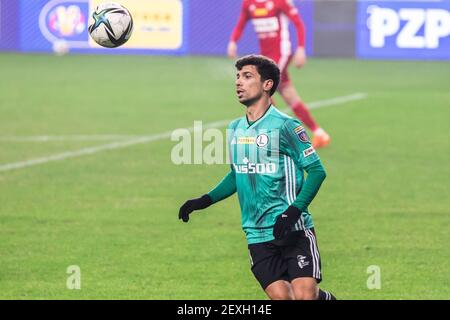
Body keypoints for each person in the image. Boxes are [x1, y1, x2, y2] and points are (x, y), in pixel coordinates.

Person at [179, 55, 335, 300]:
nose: (239, 82)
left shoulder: (286, 126)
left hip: (293, 229)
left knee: (305, 296)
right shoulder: (235, 129)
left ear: (267, 84)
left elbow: (317, 171)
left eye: (247, 76)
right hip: (256, 233)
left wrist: (293, 211)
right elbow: (236, 173)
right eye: (238, 76)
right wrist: (204, 200)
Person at [227, 0, 331, 149]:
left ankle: (276, 135)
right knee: (289, 94)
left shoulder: (279, 2)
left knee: (261, 90)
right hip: (266, 56)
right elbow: (241, 24)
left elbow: (299, 23)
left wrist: (301, 49)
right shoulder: (249, 3)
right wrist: (233, 42)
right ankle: (320, 133)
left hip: (282, 53)